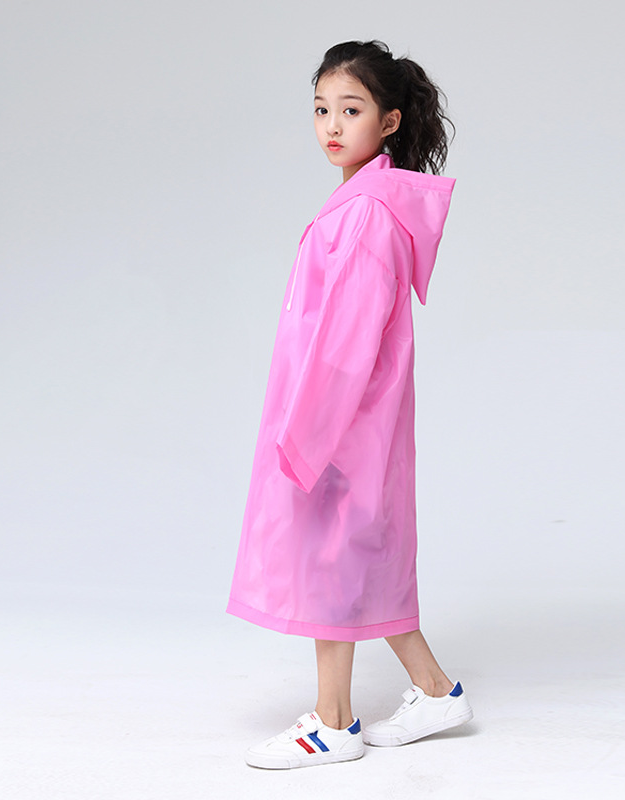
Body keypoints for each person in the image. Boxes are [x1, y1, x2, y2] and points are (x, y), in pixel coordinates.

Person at [227, 40, 472, 769]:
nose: (332, 126)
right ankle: (436, 691)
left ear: (389, 120)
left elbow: (345, 341)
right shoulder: (367, 204)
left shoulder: (365, 214)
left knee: (334, 562)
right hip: (352, 418)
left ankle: (334, 724)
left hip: (341, 420)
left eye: (351, 110)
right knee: (361, 559)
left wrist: (307, 431)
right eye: (321, 109)